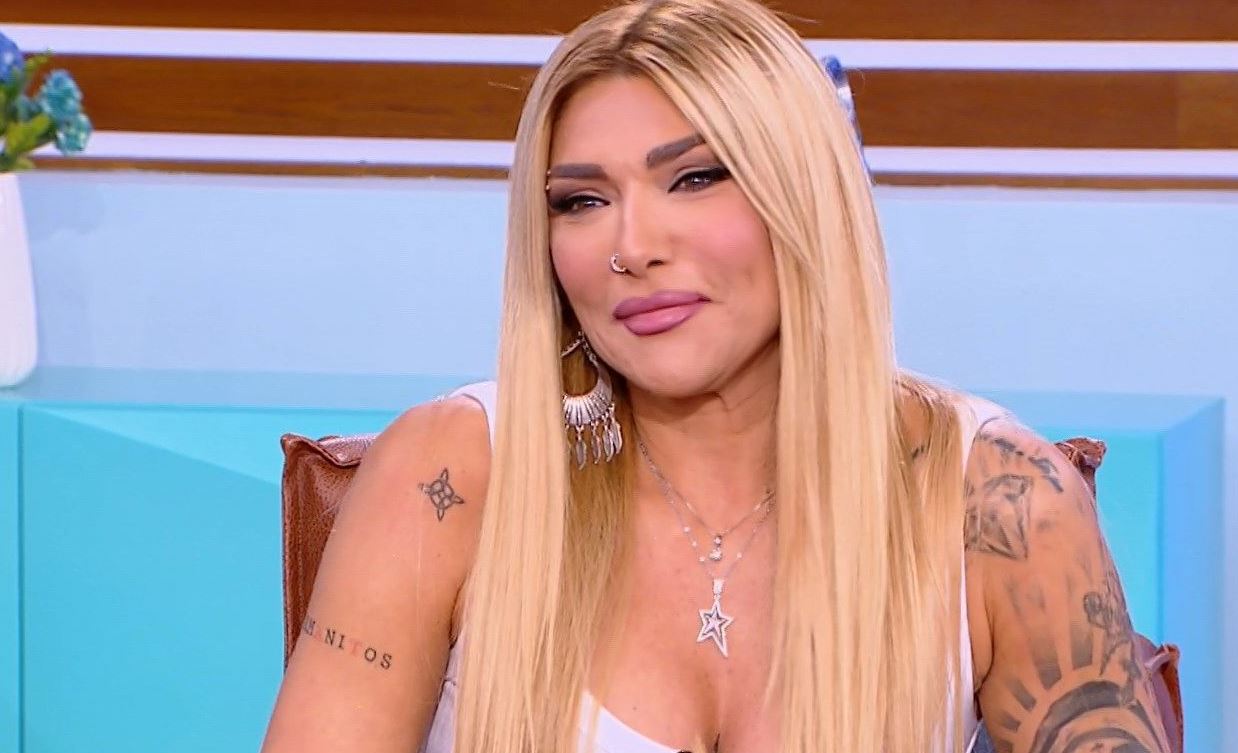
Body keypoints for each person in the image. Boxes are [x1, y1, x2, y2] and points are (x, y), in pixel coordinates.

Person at [261, 1, 1172, 752]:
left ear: (804, 195)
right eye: (583, 200)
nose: (632, 246)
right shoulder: (451, 477)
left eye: (694, 179)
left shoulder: (997, 500)